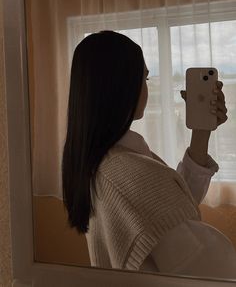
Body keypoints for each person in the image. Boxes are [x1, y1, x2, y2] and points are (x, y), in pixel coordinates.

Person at [62, 30, 236, 279]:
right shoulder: (127, 174)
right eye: (144, 78)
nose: (146, 87)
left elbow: (171, 205)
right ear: (121, 85)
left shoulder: (101, 160)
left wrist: (202, 132)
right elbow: (210, 267)